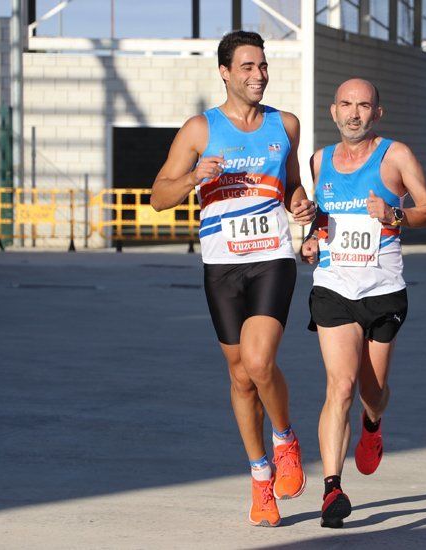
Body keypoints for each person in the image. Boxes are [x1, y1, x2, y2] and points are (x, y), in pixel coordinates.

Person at [150, 30, 316, 527]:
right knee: (241, 377)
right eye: (247, 67)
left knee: (260, 361)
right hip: (221, 266)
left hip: (271, 257)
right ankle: (260, 476)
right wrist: (193, 177)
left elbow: (290, 188)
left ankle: (285, 441)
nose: (258, 75)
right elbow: (159, 196)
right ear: (225, 72)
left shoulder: (284, 124)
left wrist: (300, 203)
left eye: (262, 66)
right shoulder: (199, 130)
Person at [301, 78, 426, 528]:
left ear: (377, 113)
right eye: (346, 105)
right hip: (333, 286)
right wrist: (310, 238)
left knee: (371, 392)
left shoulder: (394, 155)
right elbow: (323, 222)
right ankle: (332, 489)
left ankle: (373, 425)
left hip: (382, 291)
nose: (354, 113)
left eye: (363, 106)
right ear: (333, 111)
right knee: (338, 387)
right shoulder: (320, 160)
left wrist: (394, 214)